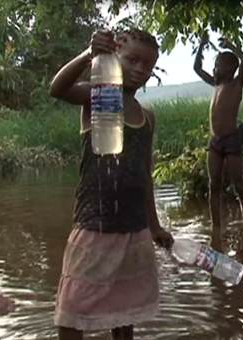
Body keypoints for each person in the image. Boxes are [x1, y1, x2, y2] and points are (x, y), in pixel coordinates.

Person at [49, 29, 174, 340]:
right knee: (73, 307)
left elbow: (145, 174)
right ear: (113, 57)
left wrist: (154, 225)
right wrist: (87, 55)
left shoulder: (147, 117)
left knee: (125, 308)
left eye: (148, 65)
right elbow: (57, 89)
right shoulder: (100, 96)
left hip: (133, 227)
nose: (140, 69)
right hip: (95, 222)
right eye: (132, 60)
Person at [193, 33, 243, 229]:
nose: (214, 68)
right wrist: (201, 46)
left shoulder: (237, 84)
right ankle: (215, 228)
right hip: (215, 141)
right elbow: (197, 68)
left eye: (217, 65)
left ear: (229, 69)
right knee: (213, 185)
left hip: (231, 139)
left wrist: (230, 45)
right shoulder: (216, 84)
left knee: (238, 184)